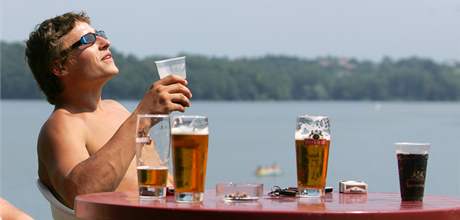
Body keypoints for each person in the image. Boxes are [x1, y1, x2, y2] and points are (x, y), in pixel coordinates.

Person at [25, 11, 192, 209]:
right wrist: (143, 115)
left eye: (100, 34)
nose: (105, 42)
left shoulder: (117, 110)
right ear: (60, 67)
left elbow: (164, 184)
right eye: (88, 40)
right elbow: (81, 195)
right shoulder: (60, 125)